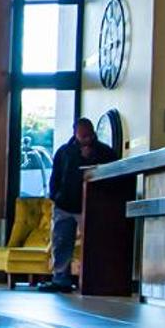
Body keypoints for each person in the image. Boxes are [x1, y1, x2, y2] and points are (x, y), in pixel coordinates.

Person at [39, 117, 116, 292]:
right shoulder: (64, 152)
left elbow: (106, 175)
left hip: (91, 205)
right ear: (75, 134)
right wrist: (55, 196)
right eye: (83, 136)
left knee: (94, 243)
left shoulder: (105, 152)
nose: (87, 139)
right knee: (61, 242)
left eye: (89, 135)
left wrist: (88, 159)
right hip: (64, 204)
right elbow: (56, 176)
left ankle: (93, 278)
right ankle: (60, 279)